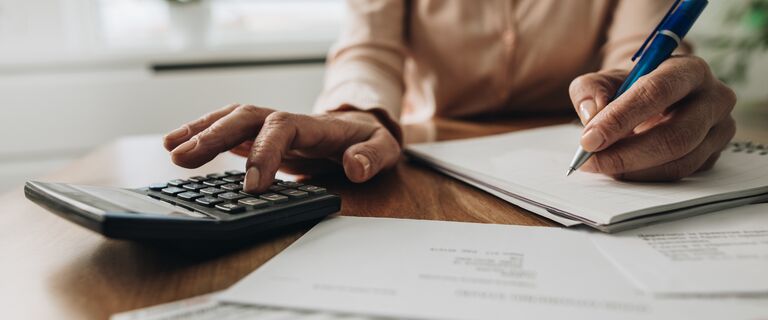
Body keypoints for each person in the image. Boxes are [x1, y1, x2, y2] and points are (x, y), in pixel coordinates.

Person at [163, 0, 736, 194]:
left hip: (585, 154)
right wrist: (356, 113)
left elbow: (640, 48)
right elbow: (368, 48)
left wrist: (651, 95)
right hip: (431, 162)